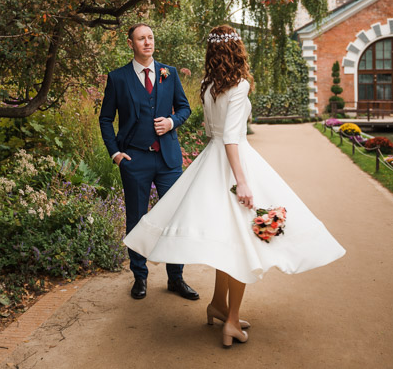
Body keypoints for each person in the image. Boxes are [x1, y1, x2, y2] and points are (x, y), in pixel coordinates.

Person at [124, 25, 346, 347]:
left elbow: (211, 131)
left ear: (213, 53)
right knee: (243, 245)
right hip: (234, 163)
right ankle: (230, 322)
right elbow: (231, 136)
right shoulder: (239, 85)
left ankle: (218, 304)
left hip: (211, 162)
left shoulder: (208, 84)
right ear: (236, 50)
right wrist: (242, 182)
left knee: (228, 242)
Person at [99, 23, 199, 301]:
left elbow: (184, 108)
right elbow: (106, 119)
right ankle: (139, 277)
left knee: (175, 218)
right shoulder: (118, 78)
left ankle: (176, 278)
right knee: (136, 219)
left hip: (168, 159)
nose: (147, 42)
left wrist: (171, 121)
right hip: (135, 159)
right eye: (141, 38)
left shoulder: (170, 73)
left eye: (150, 37)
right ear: (130, 43)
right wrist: (116, 154)